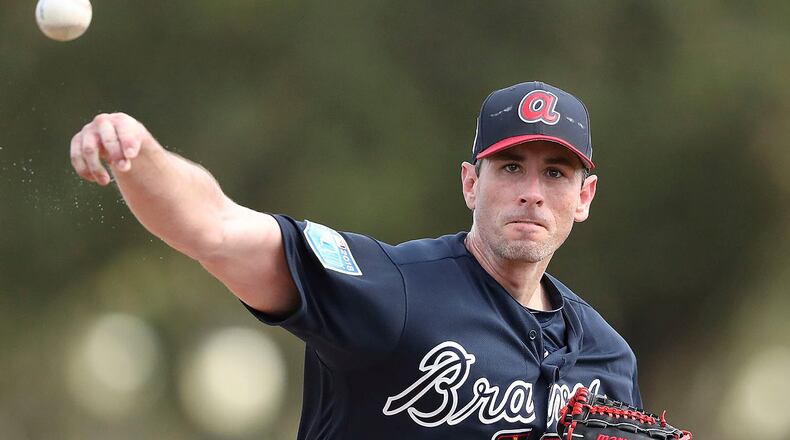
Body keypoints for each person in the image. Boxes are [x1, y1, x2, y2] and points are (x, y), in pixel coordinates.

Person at [69, 81, 640, 439]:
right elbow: (216, 228)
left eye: (556, 173)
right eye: (511, 167)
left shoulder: (608, 359)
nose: (532, 191)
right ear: (471, 184)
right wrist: (138, 154)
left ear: (583, 197)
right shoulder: (390, 292)